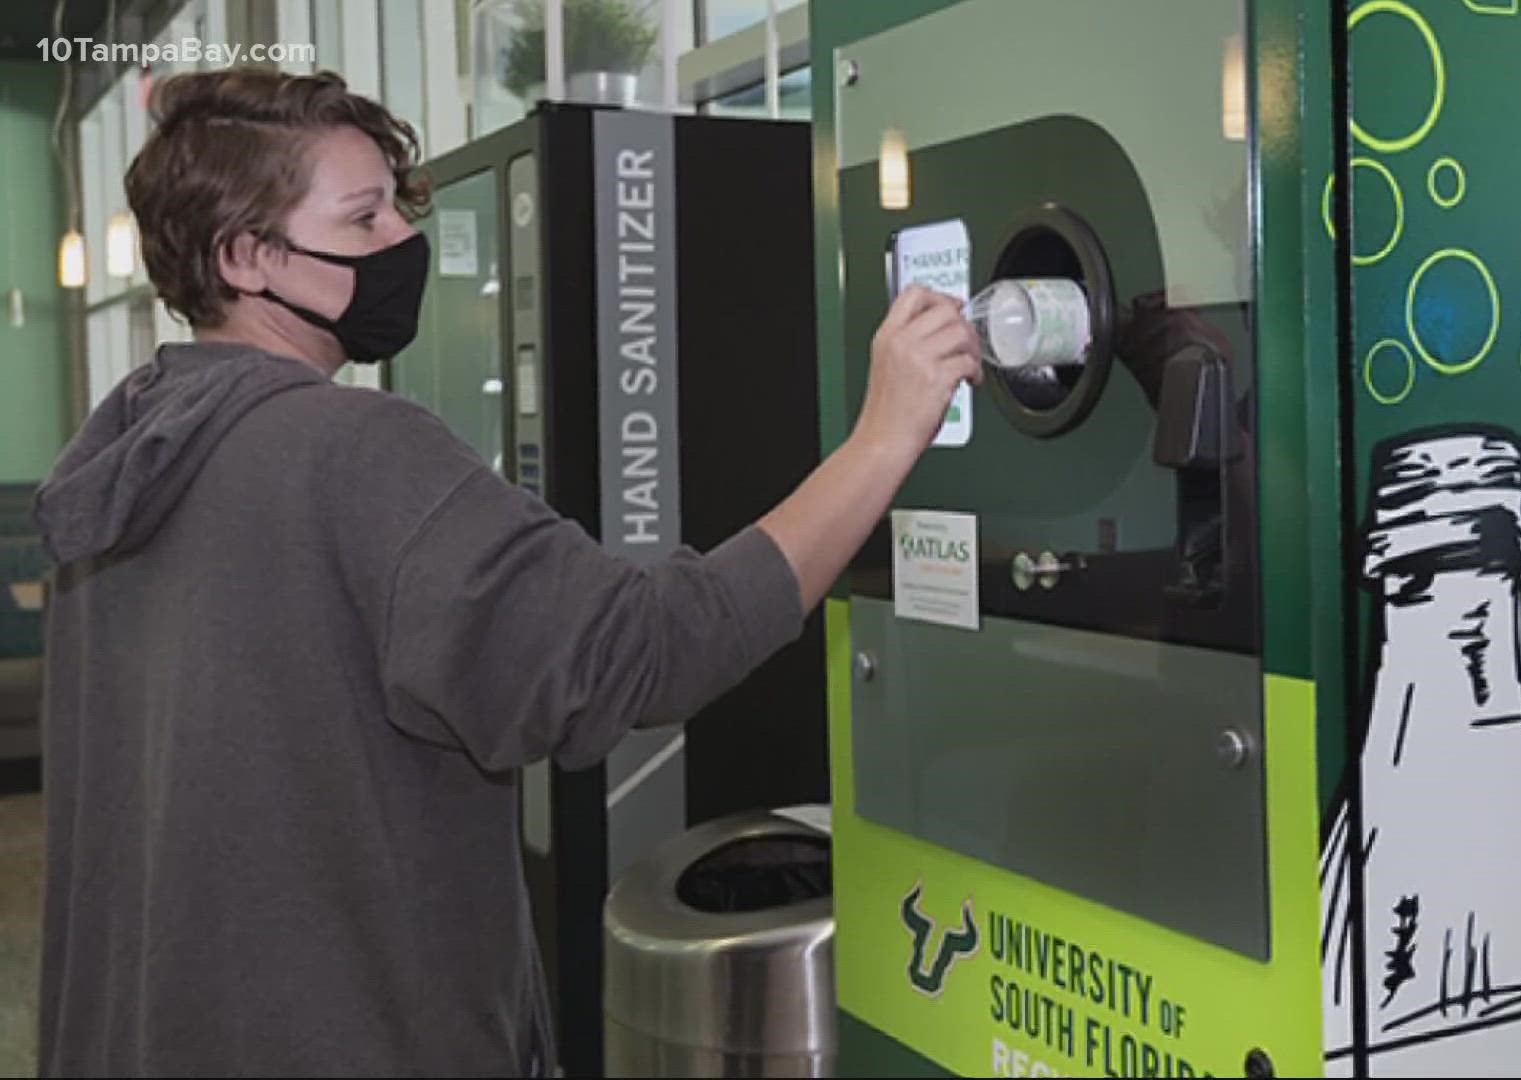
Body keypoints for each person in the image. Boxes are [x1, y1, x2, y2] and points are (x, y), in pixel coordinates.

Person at [30, 67, 979, 1078]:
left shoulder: (122, 462)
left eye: (398, 205)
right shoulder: (352, 452)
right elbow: (642, 652)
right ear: (248, 256)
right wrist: (885, 436)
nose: (404, 241)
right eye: (362, 221)